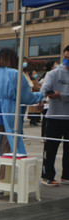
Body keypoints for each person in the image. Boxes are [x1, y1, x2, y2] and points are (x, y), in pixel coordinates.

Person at [0, 48, 43, 194]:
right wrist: (40, 96)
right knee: (6, 151)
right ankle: (2, 182)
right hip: (9, 115)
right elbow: (26, 97)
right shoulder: (16, 74)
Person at [40, 44, 69, 187]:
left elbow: (63, 95)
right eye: (66, 58)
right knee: (50, 148)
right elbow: (44, 89)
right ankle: (47, 175)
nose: (67, 61)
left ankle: (66, 175)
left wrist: (61, 95)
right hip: (53, 117)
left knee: (68, 149)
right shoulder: (53, 74)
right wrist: (44, 96)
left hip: (68, 117)